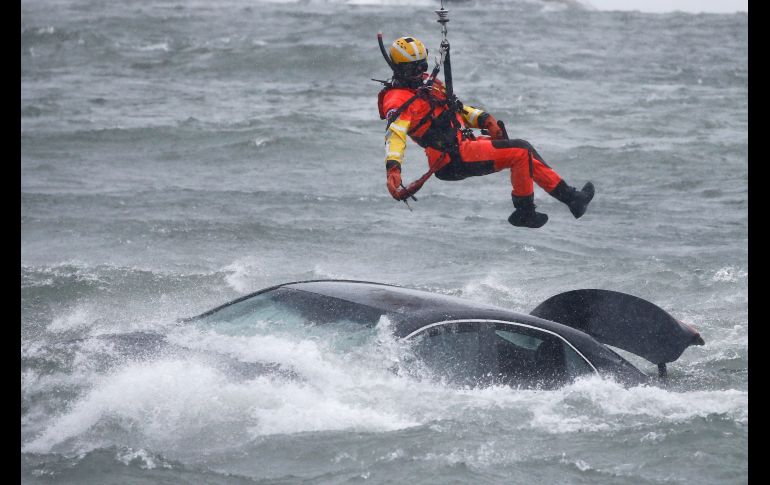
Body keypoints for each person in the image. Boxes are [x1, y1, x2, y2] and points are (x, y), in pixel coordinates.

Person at [376, 36, 595, 228]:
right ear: (400, 68)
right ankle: (524, 212)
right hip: (450, 159)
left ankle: (573, 199)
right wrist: (393, 168)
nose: (421, 73)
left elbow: (456, 109)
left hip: (465, 146)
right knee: (520, 151)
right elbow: (395, 136)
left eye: (423, 66)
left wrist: (484, 120)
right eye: (414, 69)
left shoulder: (428, 84)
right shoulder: (396, 99)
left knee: (525, 154)